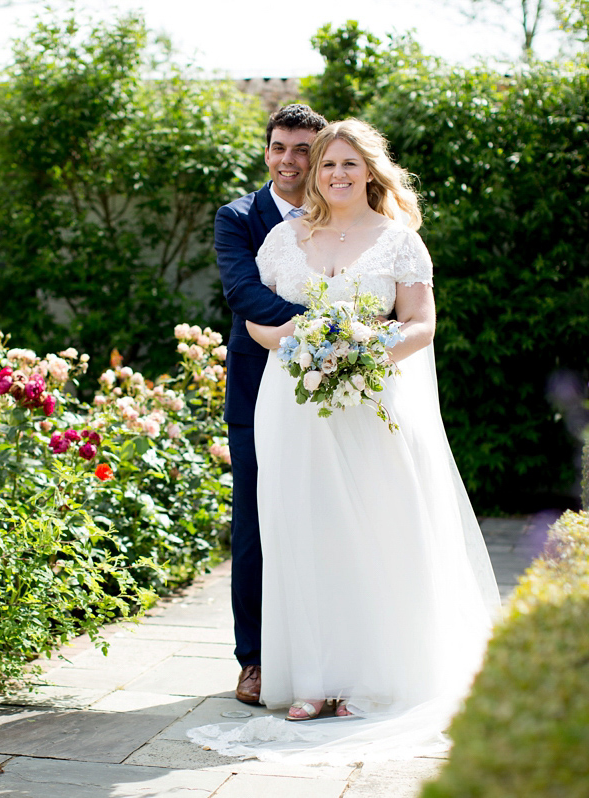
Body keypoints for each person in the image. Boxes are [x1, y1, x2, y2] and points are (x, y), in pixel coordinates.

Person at [191, 119, 500, 763]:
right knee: (303, 535)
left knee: (373, 533)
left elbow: (420, 325)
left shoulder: (399, 242)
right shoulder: (281, 238)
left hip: (372, 403)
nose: (335, 175)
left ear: (370, 172)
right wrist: (312, 345)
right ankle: (313, 681)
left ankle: (366, 679)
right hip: (295, 404)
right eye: (327, 164)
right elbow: (256, 322)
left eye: (347, 165)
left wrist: (364, 348)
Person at [215, 104, 328, 706]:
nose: (290, 160)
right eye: (281, 147)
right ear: (267, 152)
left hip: (334, 395)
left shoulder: (341, 214)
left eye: (303, 149)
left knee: (328, 520)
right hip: (258, 392)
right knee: (256, 527)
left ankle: (326, 655)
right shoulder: (237, 217)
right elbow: (244, 293)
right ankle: (254, 660)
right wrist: (332, 328)